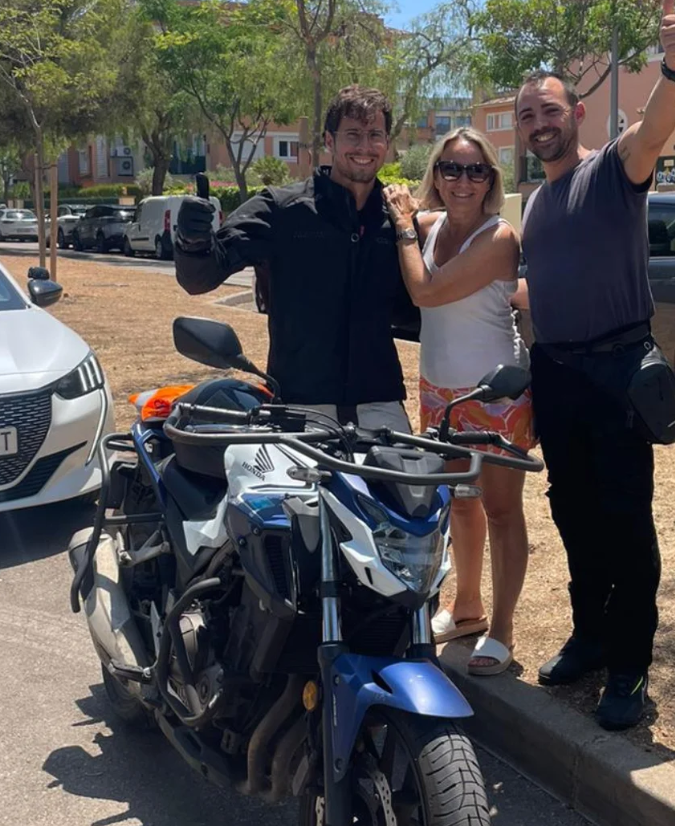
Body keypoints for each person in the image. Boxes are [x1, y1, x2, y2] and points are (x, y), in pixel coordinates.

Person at [516, 0, 675, 729]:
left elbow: (654, 130)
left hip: (619, 370)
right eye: (527, 114)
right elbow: (539, 285)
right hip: (557, 374)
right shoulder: (533, 201)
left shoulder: (614, 168)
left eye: (549, 110)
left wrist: (674, 68)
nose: (539, 122)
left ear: (577, 114)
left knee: (624, 523)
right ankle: (589, 637)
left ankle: (628, 666)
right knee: (573, 515)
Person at [173, 85, 416, 432]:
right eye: (353, 134)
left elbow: (419, 306)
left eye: (375, 135)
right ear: (329, 141)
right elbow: (201, 277)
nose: (364, 146)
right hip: (302, 405)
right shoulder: (282, 209)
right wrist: (192, 241)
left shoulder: (397, 218)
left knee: (411, 472)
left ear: (387, 143)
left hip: (381, 404)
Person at [382, 128, 534, 676]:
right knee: (461, 503)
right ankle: (466, 608)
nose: (463, 181)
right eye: (451, 168)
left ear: (490, 179)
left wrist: (403, 224)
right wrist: (396, 202)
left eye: (475, 171)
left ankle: (502, 629)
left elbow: (425, 290)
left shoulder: (499, 238)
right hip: (440, 393)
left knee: (501, 510)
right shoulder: (428, 226)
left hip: (495, 394)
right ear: (437, 175)